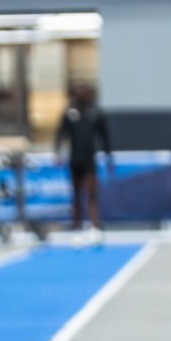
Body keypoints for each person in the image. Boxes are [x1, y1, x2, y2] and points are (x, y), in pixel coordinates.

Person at [54, 83, 113, 242]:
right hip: (75, 159)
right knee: (76, 195)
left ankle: (95, 227)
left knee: (92, 194)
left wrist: (108, 157)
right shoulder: (70, 112)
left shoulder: (95, 112)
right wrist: (58, 153)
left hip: (89, 160)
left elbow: (104, 136)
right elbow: (61, 133)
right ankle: (77, 228)